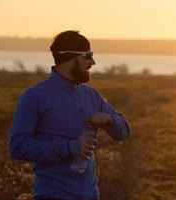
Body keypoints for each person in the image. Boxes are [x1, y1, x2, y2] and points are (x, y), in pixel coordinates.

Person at [9, 30, 131, 200]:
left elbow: (125, 131)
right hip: (52, 195)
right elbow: (18, 147)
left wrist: (110, 121)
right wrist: (69, 147)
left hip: (90, 195)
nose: (93, 62)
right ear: (68, 59)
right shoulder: (34, 97)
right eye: (88, 56)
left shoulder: (92, 96)